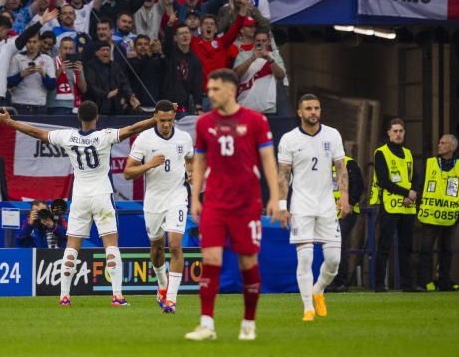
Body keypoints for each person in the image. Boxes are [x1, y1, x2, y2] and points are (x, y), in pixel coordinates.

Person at [0, 101, 156, 307]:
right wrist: (154, 119)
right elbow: (132, 129)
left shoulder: (68, 136)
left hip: (79, 197)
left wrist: (9, 122)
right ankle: (117, 296)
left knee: (72, 246)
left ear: (79, 117)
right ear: (97, 117)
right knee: (111, 245)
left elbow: (36, 132)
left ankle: (64, 296)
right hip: (101, 196)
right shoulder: (104, 136)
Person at [185, 69, 286, 341]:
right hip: (215, 203)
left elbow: (267, 160)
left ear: (231, 90)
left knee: (247, 261)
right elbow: (200, 161)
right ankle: (207, 324)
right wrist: (195, 197)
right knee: (210, 259)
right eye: (209, 89)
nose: (210, 94)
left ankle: (249, 323)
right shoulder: (204, 123)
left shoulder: (256, 121)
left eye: (215, 89)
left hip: (246, 204)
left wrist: (275, 197)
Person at [276, 94, 350, 321]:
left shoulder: (332, 134)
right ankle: (308, 307)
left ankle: (318, 290)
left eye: (316, 108)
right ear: (299, 112)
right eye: (308, 108)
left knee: (334, 261)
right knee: (305, 259)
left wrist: (344, 196)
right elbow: (283, 175)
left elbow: (341, 168)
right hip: (301, 206)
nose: (313, 112)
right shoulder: (289, 139)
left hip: (327, 206)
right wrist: (282, 206)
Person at [124, 100, 194, 313]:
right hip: (154, 200)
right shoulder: (144, 139)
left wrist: (191, 173)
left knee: (174, 245)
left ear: (174, 117)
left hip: (177, 197)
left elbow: (191, 159)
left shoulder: (184, 137)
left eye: (170, 121)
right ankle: (162, 284)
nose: (166, 125)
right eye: (162, 121)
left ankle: (171, 299)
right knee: (156, 247)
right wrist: (149, 165)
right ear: (155, 117)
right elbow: (128, 172)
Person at [415, 134, 459, 292]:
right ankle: (422, 282)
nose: (439, 145)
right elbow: (419, 187)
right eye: (439, 143)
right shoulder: (429, 164)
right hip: (430, 216)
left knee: (447, 250)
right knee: (426, 250)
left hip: (449, 216)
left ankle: (444, 281)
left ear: (452, 147)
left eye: (443, 143)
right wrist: (419, 207)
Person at [370, 118, 419, 292]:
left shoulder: (408, 153)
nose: (398, 134)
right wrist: (407, 192)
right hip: (390, 205)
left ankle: (407, 284)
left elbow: (415, 177)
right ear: (389, 133)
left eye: (401, 131)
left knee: (407, 246)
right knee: (384, 245)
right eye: (395, 131)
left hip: (407, 206)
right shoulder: (381, 152)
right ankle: (378, 284)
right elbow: (383, 180)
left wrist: (412, 193)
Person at [328, 146, 364, 292]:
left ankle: (341, 282)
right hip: (327, 214)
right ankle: (332, 280)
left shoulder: (349, 163)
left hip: (346, 213)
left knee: (338, 243)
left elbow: (358, 186)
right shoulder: (322, 167)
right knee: (330, 246)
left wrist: (349, 204)